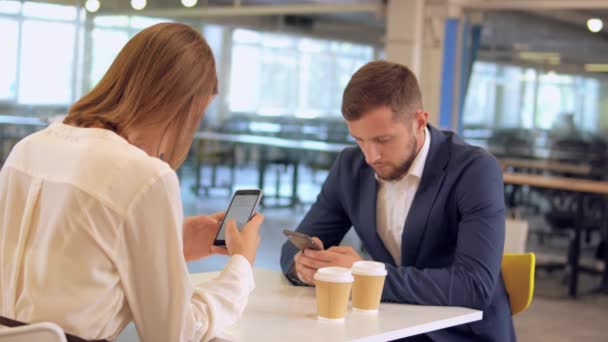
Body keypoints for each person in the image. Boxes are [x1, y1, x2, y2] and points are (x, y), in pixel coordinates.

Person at [0, 23, 263, 342]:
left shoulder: (28, 149)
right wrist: (241, 268)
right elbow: (174, 334)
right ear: (182, 107)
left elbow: (63, 261)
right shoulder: (146, 175)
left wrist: (172, 242)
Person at [280, 61, 514, 341]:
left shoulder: (474, 169)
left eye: (383, 139)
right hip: (388, 326)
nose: (371, 156)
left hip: (460, 333)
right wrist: (303, 265)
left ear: (419, 121)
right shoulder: (349, 167)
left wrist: (364, 275)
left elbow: (473, 286)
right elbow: (292, 249)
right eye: (359, 140)